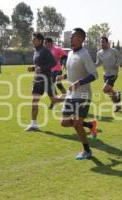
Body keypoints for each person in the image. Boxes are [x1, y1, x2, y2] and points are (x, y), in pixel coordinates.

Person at [56, 28, 98, 160]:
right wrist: (63, 76)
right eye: (70, 36)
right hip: (71, 95)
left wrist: (79, 83)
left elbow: (94, 74)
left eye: (73, 36)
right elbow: (72, 72)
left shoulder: (85, 54)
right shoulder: (70, 54)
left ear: (80, 39)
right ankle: (91, 125)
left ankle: (87, 151)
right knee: (64, 122)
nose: (70, 38)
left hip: (83, 95)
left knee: (76, 123)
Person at [25, 32, 64, 131]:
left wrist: (41, 69)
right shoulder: (36, 51)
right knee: (34, 102)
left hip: (46, 80)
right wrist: (33, 68)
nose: (32, 41)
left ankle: (71, 99)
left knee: (54, 100)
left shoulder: (45, 50)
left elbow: (53, 62)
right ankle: (33, 124)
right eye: (32, 39)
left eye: (34, 39)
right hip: (37, 80)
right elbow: (38, 65)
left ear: (40, 41)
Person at [95, 36, 122, 112]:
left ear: (107, 43)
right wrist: (91, 65)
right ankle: (117, 104)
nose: (101, 44)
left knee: (105, 89)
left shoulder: (113, 51)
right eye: (100, 42)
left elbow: (120, 57)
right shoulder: (99, 53)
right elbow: (98, 63)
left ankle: (116, 96)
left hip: (113, 73)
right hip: (105, 74)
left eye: (103, 42)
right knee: (109, 91)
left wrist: (117, 64)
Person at [44, 37, 68, 109]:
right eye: (44, 43)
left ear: (50, 42)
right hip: (50, 71)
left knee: (57, 84)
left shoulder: (57, 49)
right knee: (52, 86)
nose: (45, 44)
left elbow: (65, 56)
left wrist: (63, 63)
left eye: (46, 43)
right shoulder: (45, 51)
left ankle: (56, 101)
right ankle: (62, 98)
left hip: (58, 69)